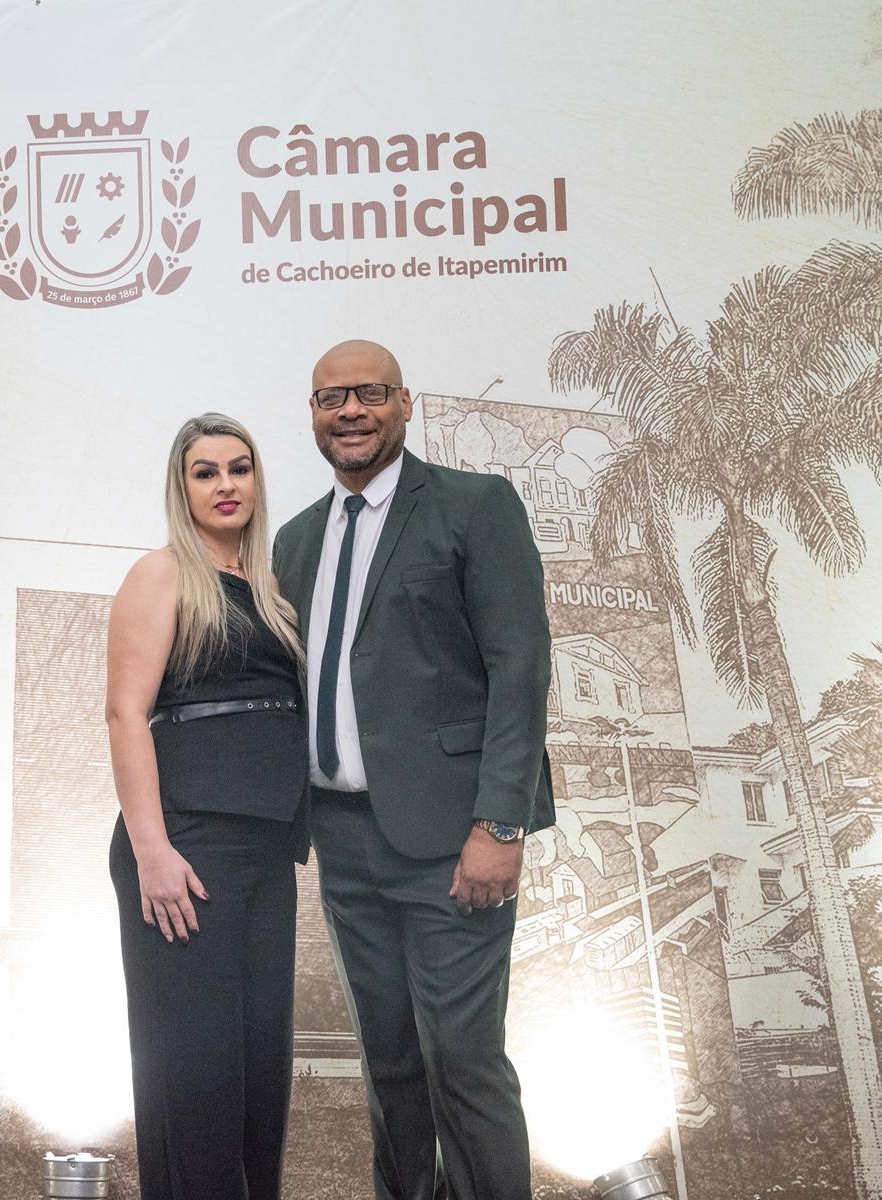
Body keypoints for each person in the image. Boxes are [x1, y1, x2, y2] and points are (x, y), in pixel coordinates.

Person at [271, 340, 554, 1200]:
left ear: (405, 402)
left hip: (453, 841)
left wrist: (500, 823)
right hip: (343, 844)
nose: (350, 411)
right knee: (389, 1067)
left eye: (370, 393)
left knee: (462, 1062)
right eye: (332, 398)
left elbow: (519, 667)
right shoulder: (296, 539)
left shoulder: (474, 505)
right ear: (313, 414)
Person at [106, 412, 309, 1200]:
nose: (226, 484)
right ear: (182, 488)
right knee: (194, 1080)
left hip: (267, 850)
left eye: (239, 467)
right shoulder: (161, 574)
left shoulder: (273, 590)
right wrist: (152, 852)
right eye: (205, 472)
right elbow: (126, 714)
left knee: (260, 1081)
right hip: (185, 847)